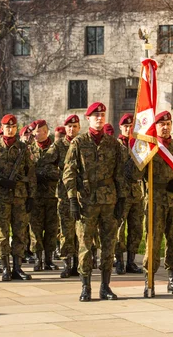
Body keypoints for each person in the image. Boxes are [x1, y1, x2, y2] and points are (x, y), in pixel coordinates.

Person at [63, 102, 126, 302]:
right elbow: (69, 172)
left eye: (102, 115)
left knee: (109, 244)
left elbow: (120, 173)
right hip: (86, 201)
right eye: (95, 116)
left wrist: (122, 198)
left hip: (108, 200)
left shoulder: (113, 144)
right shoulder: (79, 143)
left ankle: (105, 286)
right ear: (88, 118)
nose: (99, 118)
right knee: (85, 245)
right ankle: (85, 286)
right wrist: (72, 198)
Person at [135, 111, 173, 297]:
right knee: (153, 241)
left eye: (168, 123)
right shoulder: (149, 147)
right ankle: (149, 280)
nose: (165, 127)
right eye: (162, 124)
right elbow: (136, 175)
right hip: (155, 201)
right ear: (156, 127)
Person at [0, 114, 37, 281]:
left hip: (20, 197)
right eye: (7, 127)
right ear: (2, 127)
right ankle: (5, 267)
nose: (10, 129)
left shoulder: (23, 148)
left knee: (20, 233)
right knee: (3, 234)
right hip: (1, 198)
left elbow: (31, 173)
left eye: (13, 127)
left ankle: (17, 268)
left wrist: (31, 196)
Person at [115, 113, 145, 275]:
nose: (128, 129)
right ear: (121, 128)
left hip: (136, 193)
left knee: (136, 228)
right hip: (121, 194)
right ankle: (119, 260)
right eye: (125, 126)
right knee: (119, 229)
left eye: (131, 126)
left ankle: (131, 261)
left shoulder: (138, 146)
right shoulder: (115, 146)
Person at [30, 119, 61, 271]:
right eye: (34, 131)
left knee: (51, 228)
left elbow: (63, 169)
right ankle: (38, 259)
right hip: (35, 196)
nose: (35, 134)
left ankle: (49, 259)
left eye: (38, 131)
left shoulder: (56, 149)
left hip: (52, 195)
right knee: (35, 229)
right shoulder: (28, 149)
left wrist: (47, 173)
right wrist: (36, 175)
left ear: (46, 132)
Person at [56, 115, 81, 278]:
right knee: (66, 231)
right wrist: (62, 173)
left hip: (81, 195)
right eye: (69, 127)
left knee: (81, 232)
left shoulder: (83, 144)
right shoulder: (58, 145)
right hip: (65, 195)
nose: (71, 129)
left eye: (75, 126)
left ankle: (79, 263)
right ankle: (67, 263)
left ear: (79, 128)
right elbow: (44, 164)